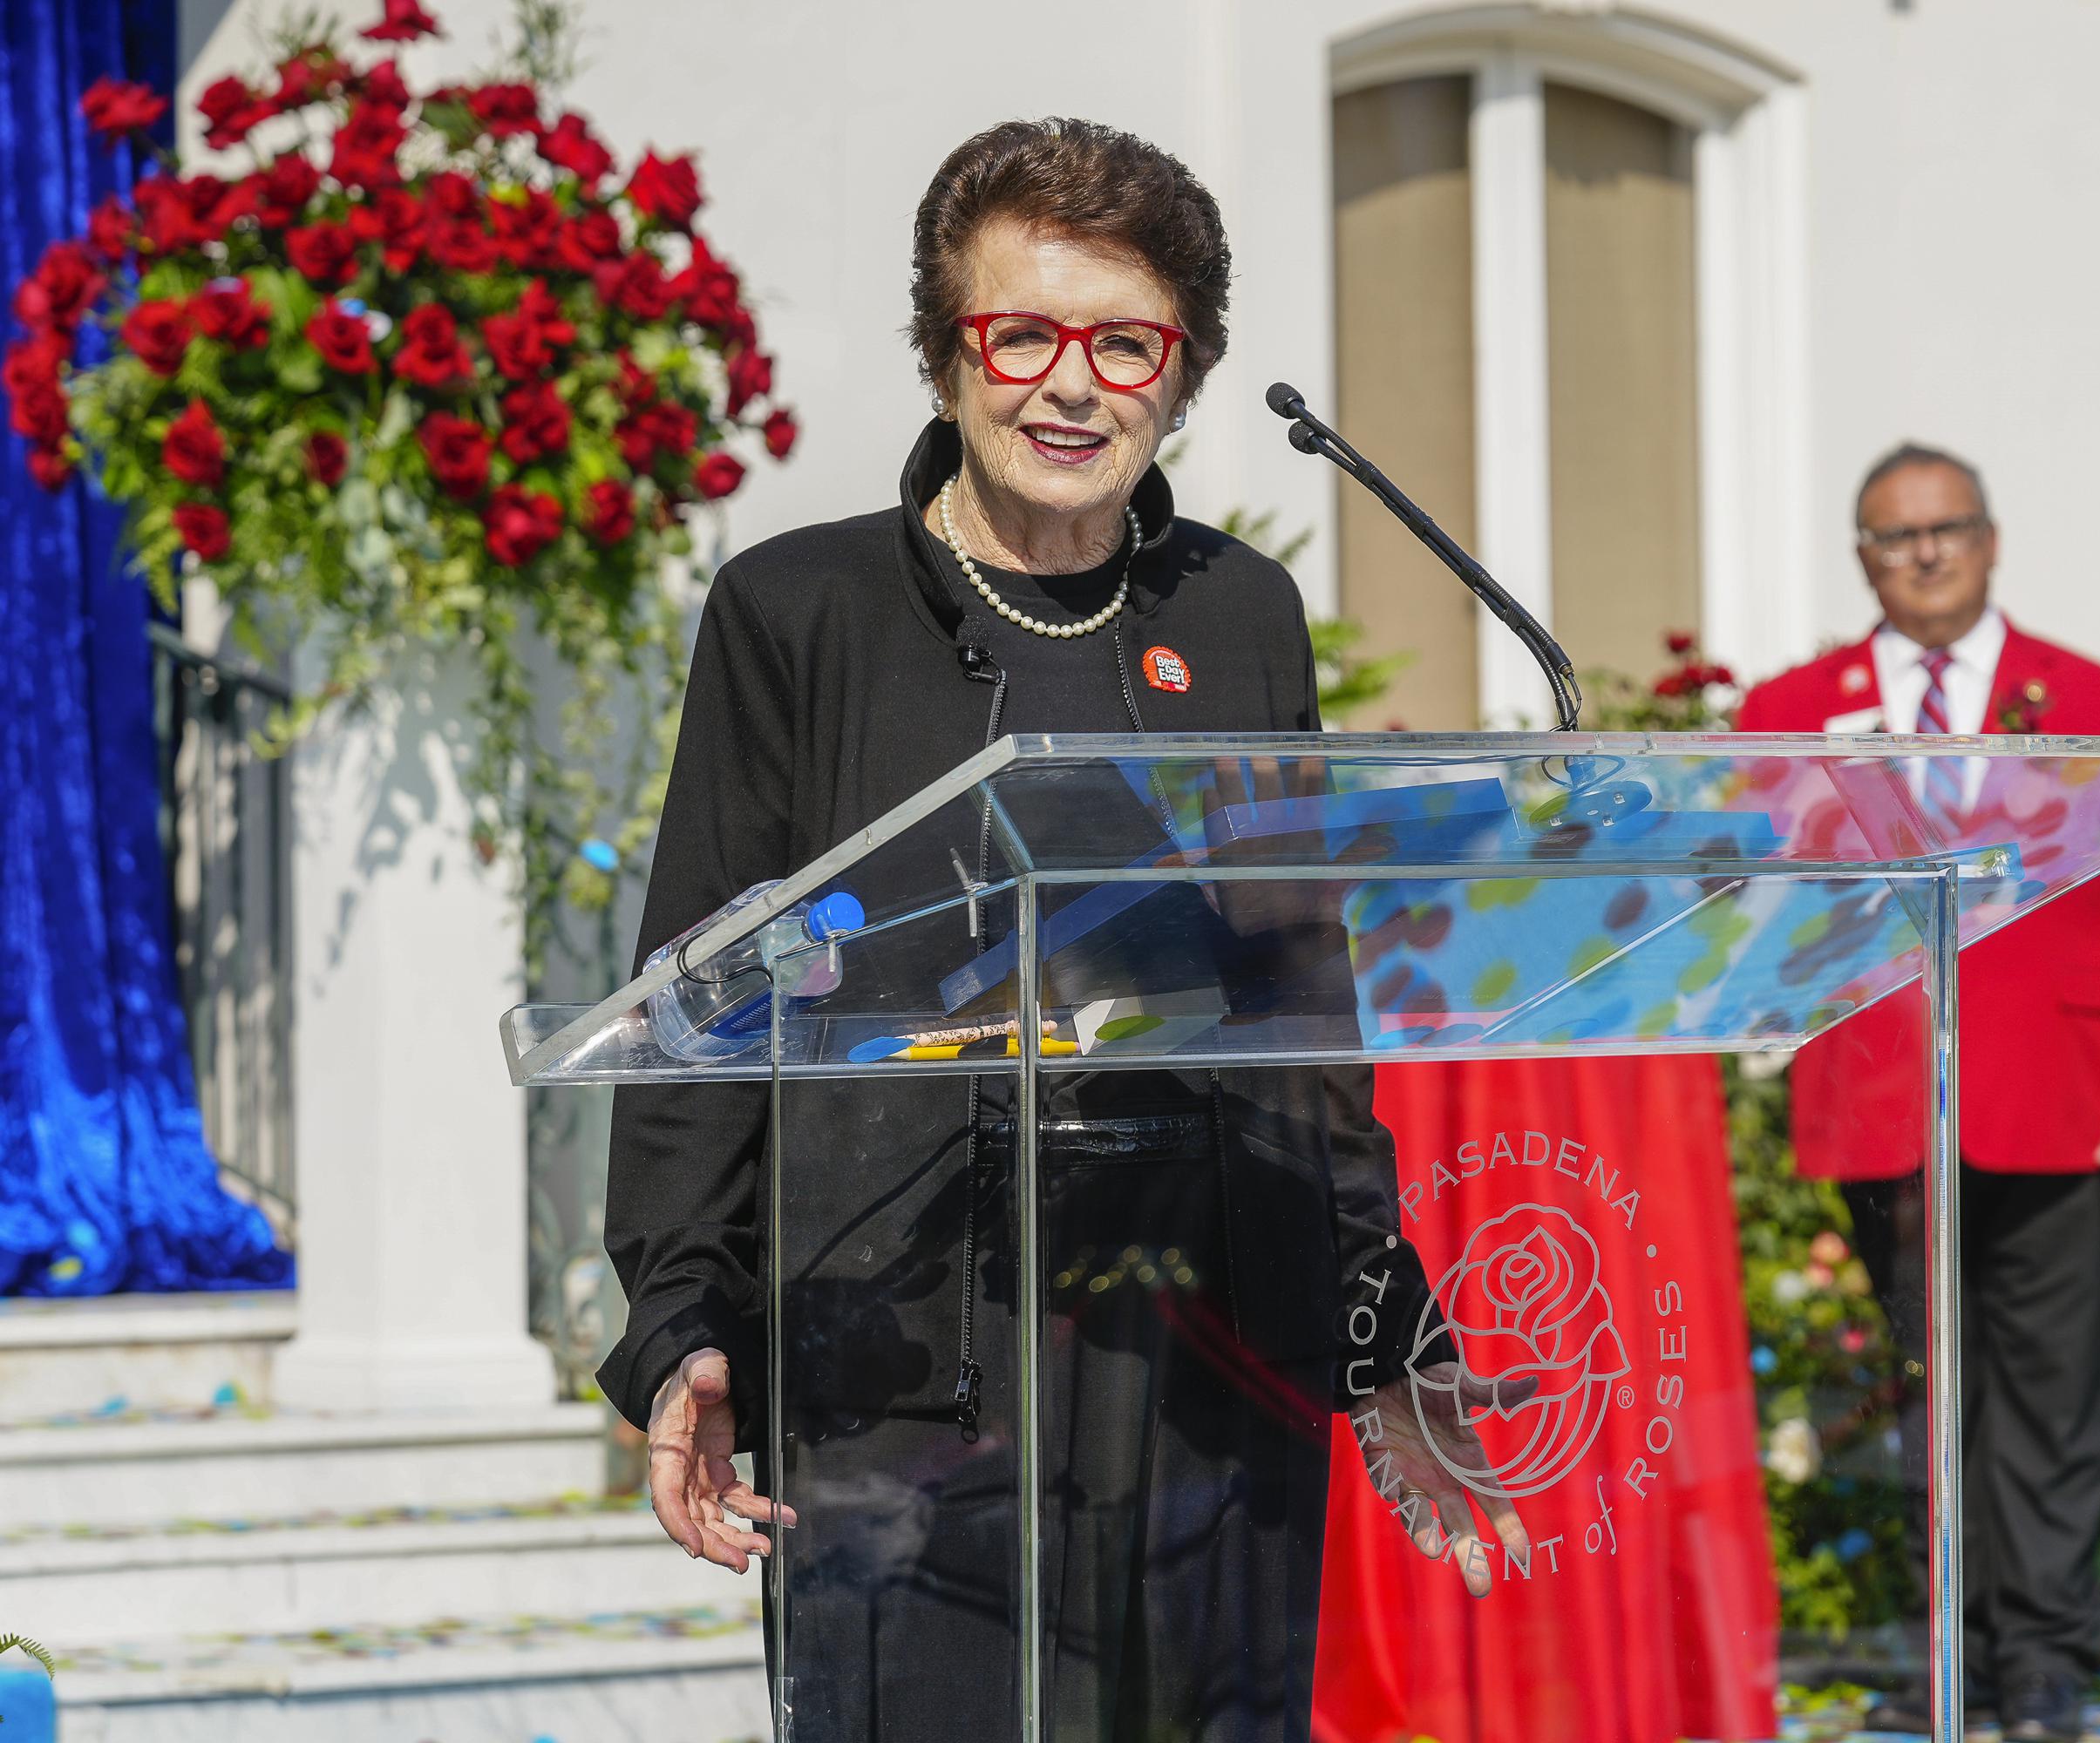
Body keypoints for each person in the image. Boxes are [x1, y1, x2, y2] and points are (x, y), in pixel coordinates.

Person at [598, 119, 1523, 1742]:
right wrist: (681, 1318)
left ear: (1184, 372)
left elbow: (1308, 1012)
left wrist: (1378, 1316)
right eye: (1018, 333)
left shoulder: (1240, 618)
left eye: (1123, 342)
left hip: (1208, 1363)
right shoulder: (797, 615)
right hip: (899, 1346)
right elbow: (697, 989)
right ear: (947, 357)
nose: (1068, 383)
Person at [1735, 444, 2100, 1743]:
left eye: (1948, 529)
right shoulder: (1791, 710)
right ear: (1861, 557)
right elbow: (1749, 898)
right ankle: (1963, 1652)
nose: (1926, 553)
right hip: (1883, 1103)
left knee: (2054, 1400)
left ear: (1991, 542)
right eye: (1896, 536)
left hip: (2066, 1096)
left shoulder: (2093, 695)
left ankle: (2044, 1667)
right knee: (1943, 1399)